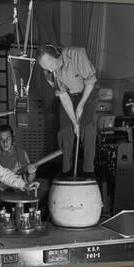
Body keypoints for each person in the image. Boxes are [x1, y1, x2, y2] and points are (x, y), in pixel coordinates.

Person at [36, 44, 99, 178]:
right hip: (69, 96)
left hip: (88, 92)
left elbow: (90, 81)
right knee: (65, 132)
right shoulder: (48, 73)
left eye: (50, 64)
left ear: (56, 55)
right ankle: (66, 170)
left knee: (87, 128)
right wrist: (74, 122)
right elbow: (63, 97)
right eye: (45, 67)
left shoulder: (76, 54)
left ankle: (89, 170)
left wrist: (81, 104)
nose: (49, 69)